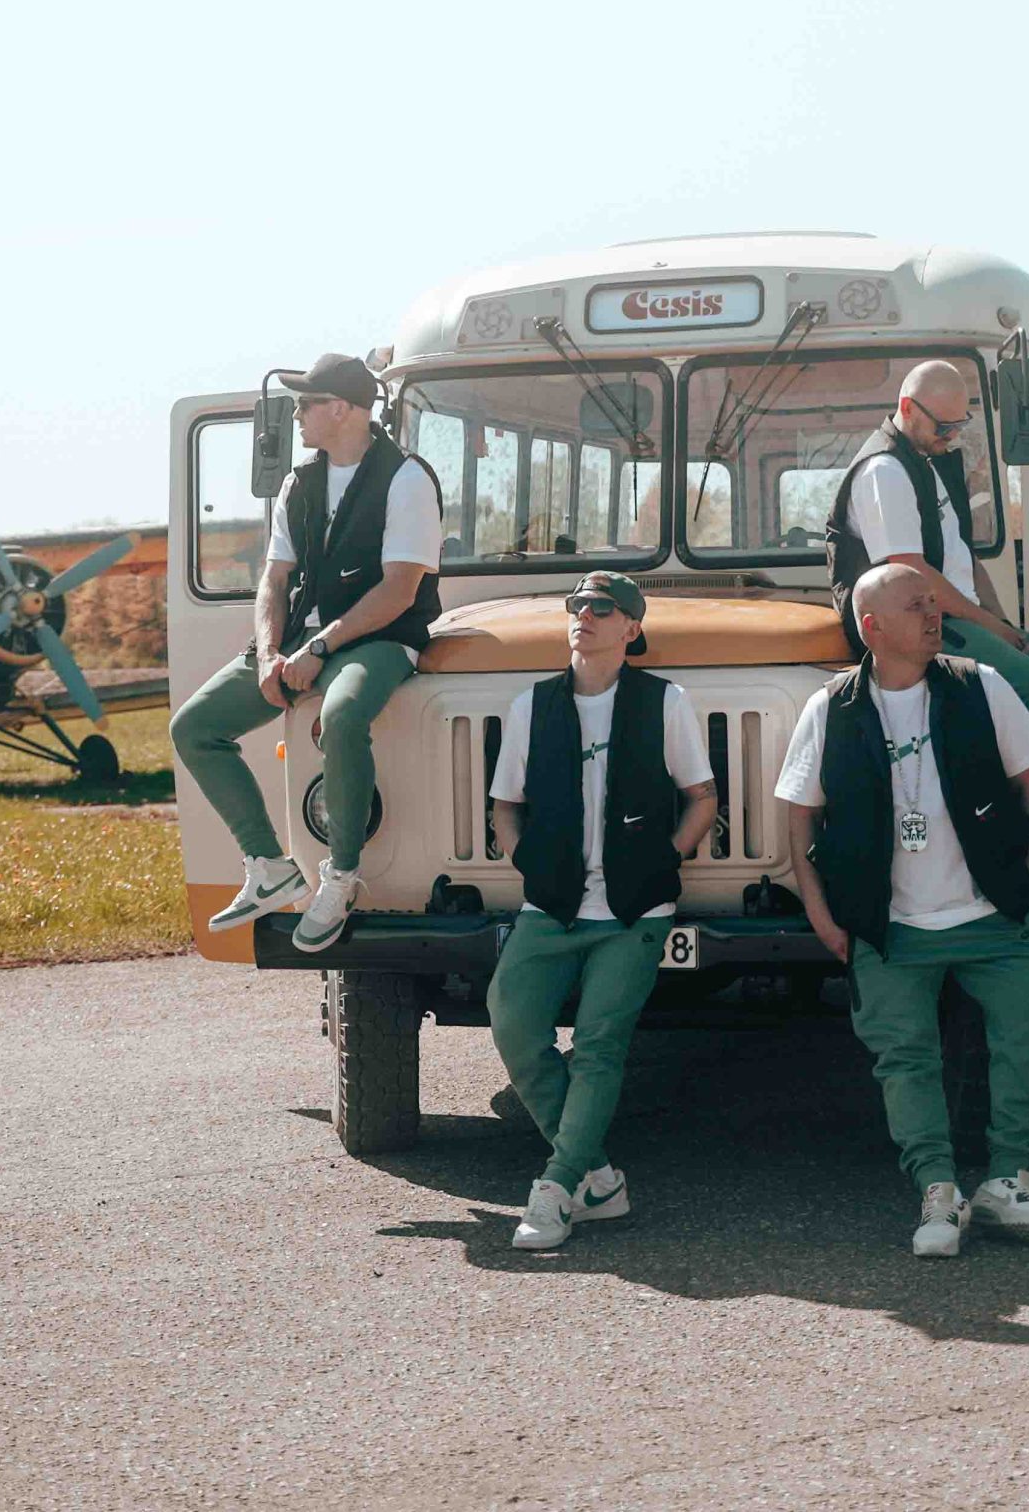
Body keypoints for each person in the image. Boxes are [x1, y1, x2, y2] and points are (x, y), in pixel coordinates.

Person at [777, 563, 1029, 1258]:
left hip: (991, 916)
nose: (934, 614)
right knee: (905, 1060)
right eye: (916, 606)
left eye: (934, 603)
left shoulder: (981, 685)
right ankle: (938, 1191)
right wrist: (819, 913)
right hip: (891, 928)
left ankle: (1010, 1180)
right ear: (871, 626)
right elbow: (799, 814)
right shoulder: (831, 708)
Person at [170, 352, 443, 949]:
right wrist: (271, 653)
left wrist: (320, 646)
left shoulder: (407, 479)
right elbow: (274, 579)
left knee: (342, 715)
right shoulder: (299, 482)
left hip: (381, 638)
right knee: (193, 728)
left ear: (342, 409)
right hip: (299, 641)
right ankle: (268, 866)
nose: (296, 416)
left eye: (306, 405)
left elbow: (400, 590)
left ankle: (341, 878)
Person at [487, 571, 718, 1251]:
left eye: (601, 607)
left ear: (631, 628)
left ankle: (558, 1186)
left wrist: (663, 860)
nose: (583, 615)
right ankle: (599, 1179)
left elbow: (702, 796)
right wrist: (529, 863)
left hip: (634, 910)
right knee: (513, 1022)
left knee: (598, 1047)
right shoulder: (532, 705)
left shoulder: (664, 701)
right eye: (576, 605)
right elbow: (505, 805)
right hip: (551, 905)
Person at [825, 359, 1029, 748]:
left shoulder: (927, 464)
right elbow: (911, 573)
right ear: (907, 408)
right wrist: (990, 626)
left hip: (956, 616)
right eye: (943, 427)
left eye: (960, 424)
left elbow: (962, 555)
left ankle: (1009, 778)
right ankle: (988, 784)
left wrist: (1000, 619)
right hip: (913, 620)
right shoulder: (884, 471)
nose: (952, 436)